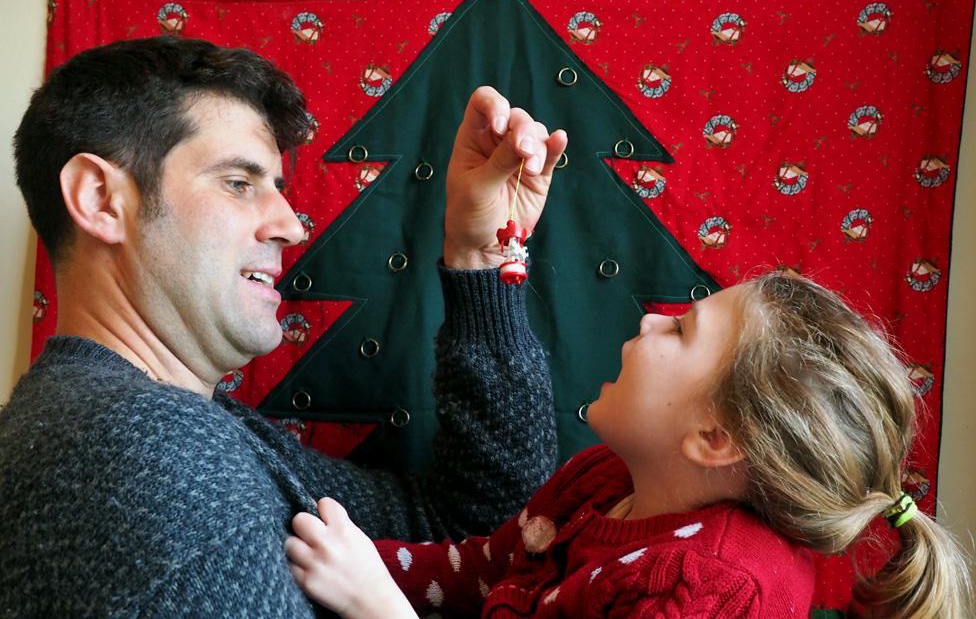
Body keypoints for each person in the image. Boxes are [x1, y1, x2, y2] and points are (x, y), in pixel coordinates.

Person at [0, 36, 568, 615]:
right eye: (239, 183)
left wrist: (480, 255)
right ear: (100, 199)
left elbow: (471, 537)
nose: (291, 226)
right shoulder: (138, 444)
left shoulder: (173, 427)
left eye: (277, 187)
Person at [287, 273, 975, 618]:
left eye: (680, 331)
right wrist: (347, 553)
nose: (649, 318)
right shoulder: (608, 479)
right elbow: (481, 570)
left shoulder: (705, 592)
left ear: (714, 437)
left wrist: (380, 606)